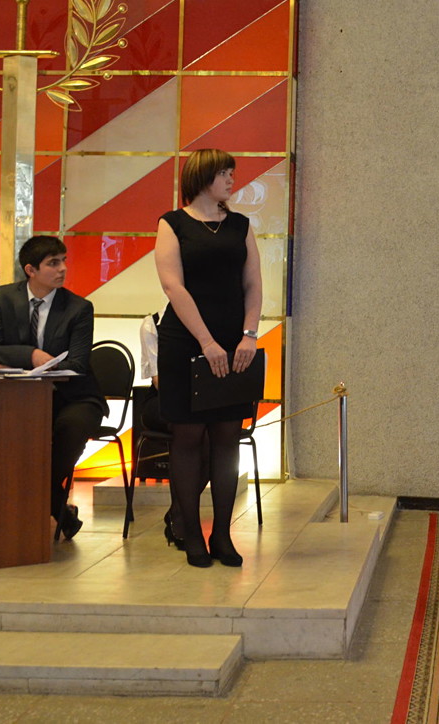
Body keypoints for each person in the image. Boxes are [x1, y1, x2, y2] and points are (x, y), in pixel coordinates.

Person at [155, 149, 262, 567]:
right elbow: (173, 287)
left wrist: (249, 335)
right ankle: (189, 532)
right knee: (187, 438)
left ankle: (222, 534)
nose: (232, 179)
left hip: (235, 345)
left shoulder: (240, 226)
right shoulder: (173, 223)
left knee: (226, 438)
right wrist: (206, 341)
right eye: (224, 173)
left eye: (233, 173)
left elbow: (253, 284)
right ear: (202, 177)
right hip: (185, 341)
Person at [0, 235, 106, 539]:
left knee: (71, 426)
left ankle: (40, 499)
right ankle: (59, 509)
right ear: (31, 270)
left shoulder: (79, 308)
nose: (63, 268)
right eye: (53, 263)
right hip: (24, 396)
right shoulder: (4, 297)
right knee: (0, 432)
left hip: (75, 396)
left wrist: (36, 365)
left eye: (64, 261)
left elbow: (77, 364)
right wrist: (32, 355)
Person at [137, 309, 209, 552]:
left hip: (203, 402)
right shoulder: (153, 323)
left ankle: (178, 512)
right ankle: (182, 517)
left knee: (213, 436)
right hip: (163, 400)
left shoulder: (210, 319)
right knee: (190, 429)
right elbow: (159, 381)